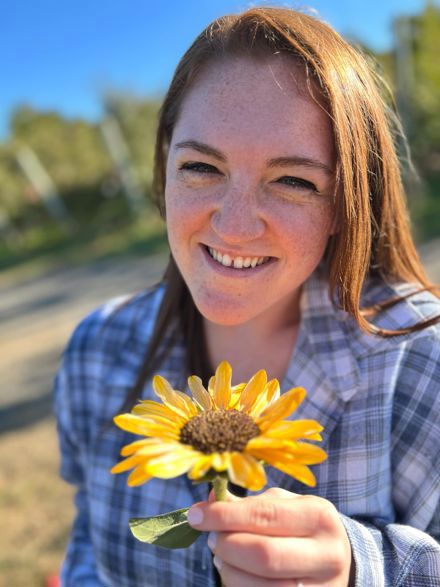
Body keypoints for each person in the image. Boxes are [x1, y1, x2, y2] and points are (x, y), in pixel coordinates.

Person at [54, 6, 440, 586]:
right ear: (164, 170)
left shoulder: (420, 361)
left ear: (346, 204)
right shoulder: (95, 351)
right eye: (202, 167)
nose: (234, 227)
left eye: (292, 180)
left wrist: (366, 567)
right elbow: (88, 544)